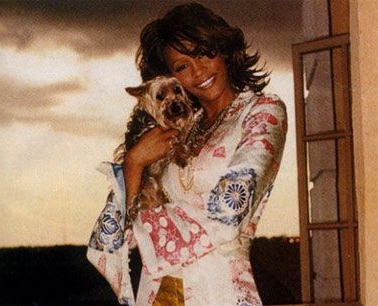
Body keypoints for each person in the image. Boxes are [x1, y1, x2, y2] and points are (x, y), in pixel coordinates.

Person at [87, 2, 287, 306]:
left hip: (218, 289)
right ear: (171, 77)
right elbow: (110, 235)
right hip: (156, 294)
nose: (198, 71)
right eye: (181, 66)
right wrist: (134, 162)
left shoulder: (261, 113)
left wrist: (149, 228)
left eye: (204, 53)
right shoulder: (176, 130)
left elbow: (229, 212)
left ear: (223, 49)